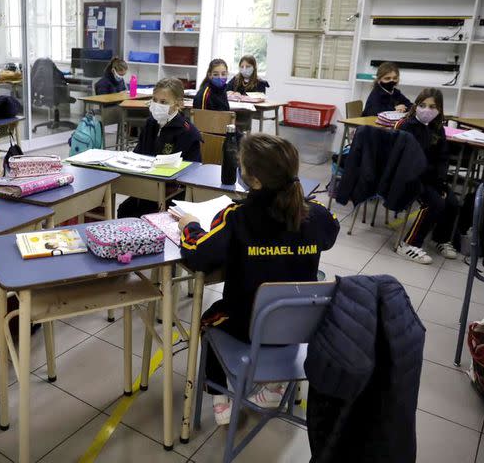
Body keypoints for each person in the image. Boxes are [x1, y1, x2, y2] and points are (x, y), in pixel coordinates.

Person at [178, 133, 339, 425]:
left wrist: (190, 226)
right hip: (299, 327)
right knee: (282, 313)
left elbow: (198, 254)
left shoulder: (237, 217)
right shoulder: (314, 215)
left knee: (208, 319)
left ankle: (219, 396)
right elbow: (332, 231)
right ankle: (275, 384)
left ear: (253, 181)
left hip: (245, 326)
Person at [116, 78, 201, 218]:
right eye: (154, 100)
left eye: (163, 102)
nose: (157, 105)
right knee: (125, 210)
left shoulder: (188, 132)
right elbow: (138, 153)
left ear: (178, 104)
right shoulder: (151, 123)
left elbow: (192, 174)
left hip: (173, 195)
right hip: (147, 188)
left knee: (141, 215)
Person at [394, 88, 459, 264]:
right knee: (434, 203)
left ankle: (439, 238)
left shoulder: (438, 129)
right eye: (423, 105)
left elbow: (443, 158)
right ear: (416, 105)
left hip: (430, 179)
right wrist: (435, 185)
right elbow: (410, 160)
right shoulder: (407, 126)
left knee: (453, 202)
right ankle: (408, 244)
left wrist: (441, 183)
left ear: (439, 109)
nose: (427, 110)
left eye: (432, 106)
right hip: (409, 177)